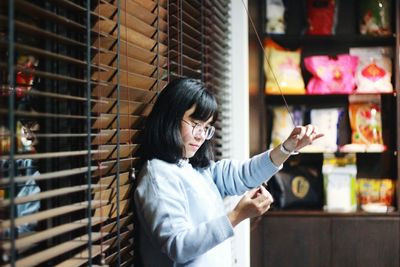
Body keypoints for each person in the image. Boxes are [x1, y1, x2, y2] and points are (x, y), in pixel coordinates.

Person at [134, 78, 323, 267]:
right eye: (195, 124)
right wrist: (237, 215)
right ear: (171, 117)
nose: (200, 136)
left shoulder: (196, 169)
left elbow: (244, 174)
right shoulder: (158, 175)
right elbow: (178, 246)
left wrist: (286, 148)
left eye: (206, 127)